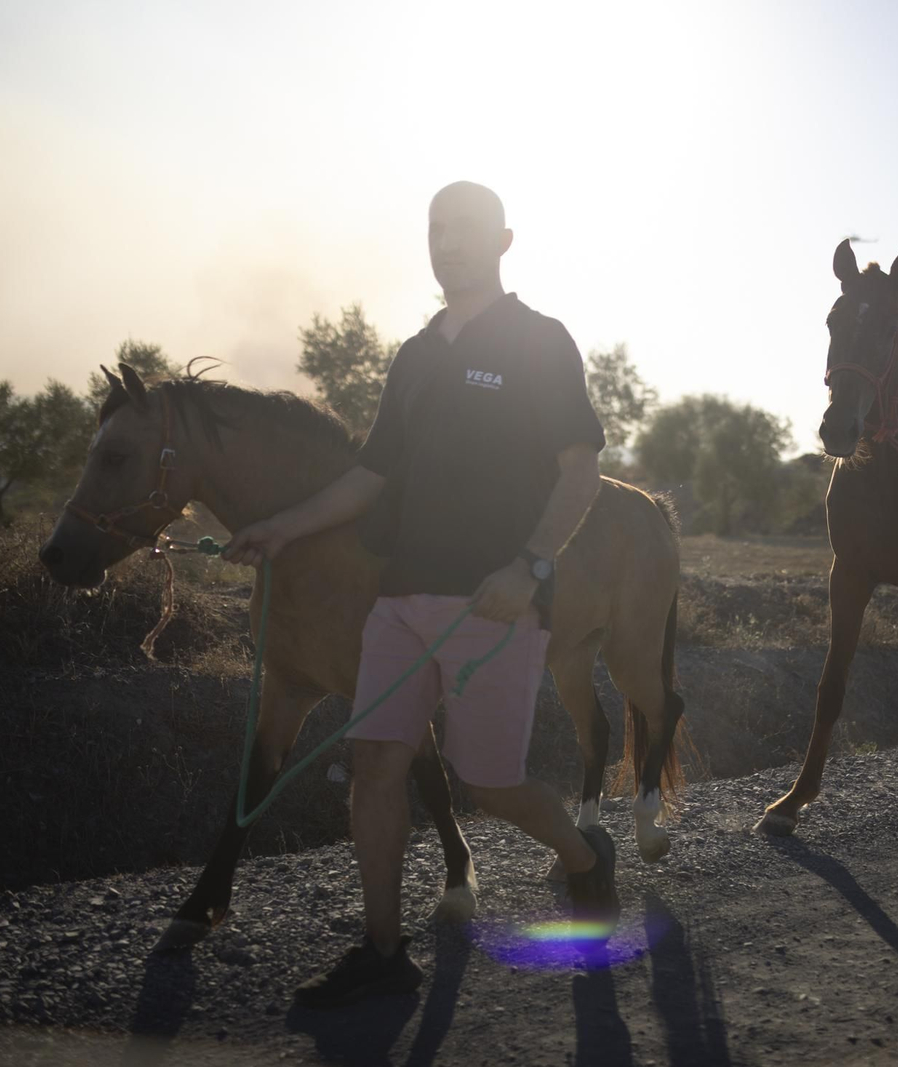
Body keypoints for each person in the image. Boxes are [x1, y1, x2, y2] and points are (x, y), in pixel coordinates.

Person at [223, 181, 617, 1005]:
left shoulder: (539, 341)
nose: (449, 242)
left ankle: (586, 857)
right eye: (437, 228)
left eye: (466, 228)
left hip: (494, 603)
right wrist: (282, 528)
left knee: (491, 785)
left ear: (503, 240)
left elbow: (580, 471)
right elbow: (372, 474)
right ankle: (382, 952)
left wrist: (529, 568)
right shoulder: (413, 356)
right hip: (399, 600)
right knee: (374, 765)